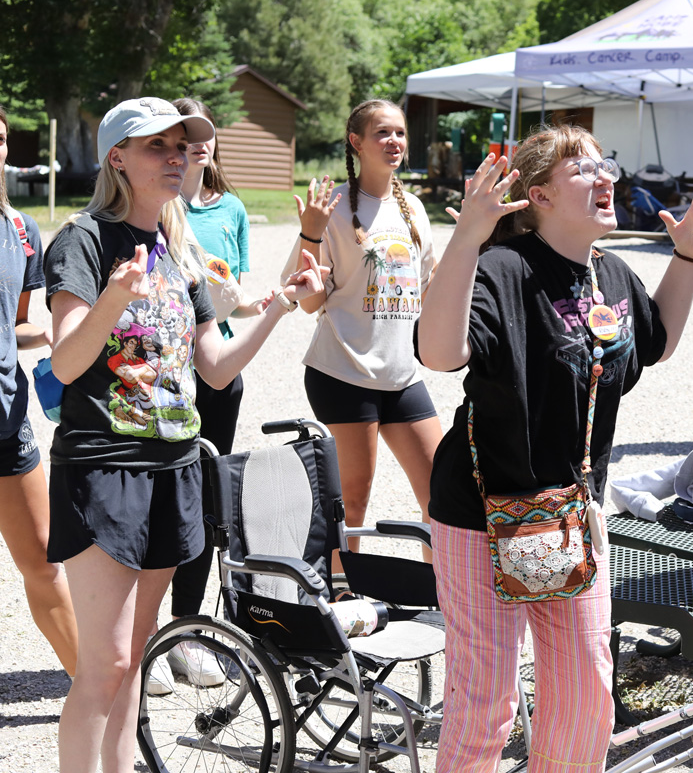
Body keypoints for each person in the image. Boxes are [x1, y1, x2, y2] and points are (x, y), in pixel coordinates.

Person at [416, 126, 693, 773]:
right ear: (540, 196)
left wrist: (688, 257)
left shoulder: (611, 274)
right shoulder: (503, 268)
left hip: (569, 516)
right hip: (480, 514)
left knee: (586, 699)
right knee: (487, 705)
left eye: (604, 163)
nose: (605, 175)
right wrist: (466, 238)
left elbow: (655, 342)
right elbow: (439, 354)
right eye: (582, 168)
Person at [44, 96, 326, 773]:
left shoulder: (173, 251)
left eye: (181, 146)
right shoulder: (84, 240)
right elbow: (65, 362)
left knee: (136, 658)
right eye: (157, 146)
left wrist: (281, 306)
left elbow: (216, 367)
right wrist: (114, 297)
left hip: (175, 468)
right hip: (105, 465)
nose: (175, 158)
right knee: (105, 662)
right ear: (117, 158)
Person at [293, 99, 440, 562]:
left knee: (442, 493)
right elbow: (308, 302)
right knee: (352, 501)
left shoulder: (415, 208)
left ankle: (443, 593)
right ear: (356, 142)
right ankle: (341, 594)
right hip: (343, 372)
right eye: (382, 132)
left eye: (400, 132)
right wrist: (310, 233)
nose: (394, 141)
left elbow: (429, 288)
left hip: (402, 375)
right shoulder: (332, 209)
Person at [148, 96, 259, 689]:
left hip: (216, 369)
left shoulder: (232, 209)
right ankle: (144, 637)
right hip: (162, 378)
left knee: (204, 505)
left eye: (197, 139)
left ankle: (185, 634)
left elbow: (234, 295)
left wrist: (258, 303)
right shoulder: (157, 210)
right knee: (156, 503)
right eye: (174, 143)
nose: (192, 150)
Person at [0, 92, 78, 677]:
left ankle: (96, 689)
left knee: (43, 558)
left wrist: (65, 336)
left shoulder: (20, 227)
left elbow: (14, 326)